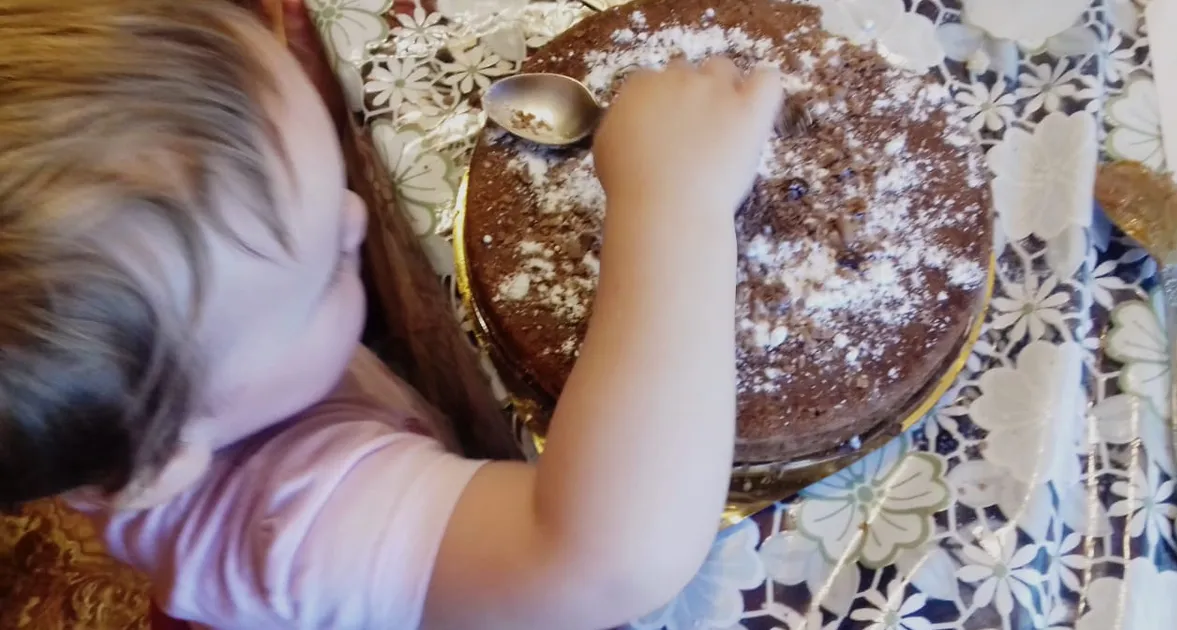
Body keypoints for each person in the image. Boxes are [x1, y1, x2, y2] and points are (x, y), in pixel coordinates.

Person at [0, 1, 783, 628]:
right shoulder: (301, 529)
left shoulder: (140, 395)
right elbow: (603, 561)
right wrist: (675, 203)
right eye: (324, 270)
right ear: (168, 459)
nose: (357, 219)